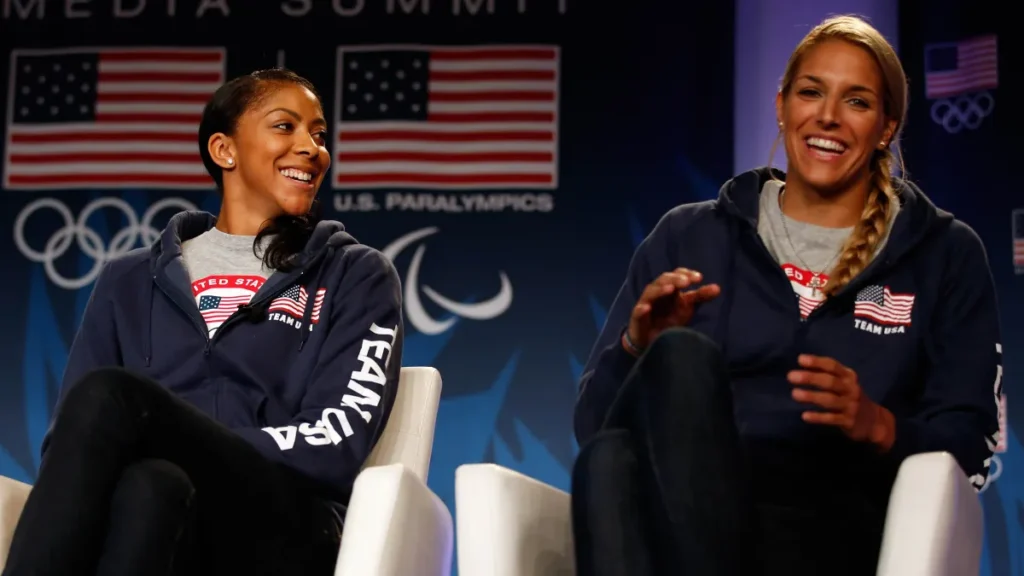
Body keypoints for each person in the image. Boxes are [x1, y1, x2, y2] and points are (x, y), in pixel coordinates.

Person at [570, 15, 1001, 576]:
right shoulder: (689, 235)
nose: (827, 116)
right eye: (811, 92)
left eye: (858, 101)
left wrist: (878, 425)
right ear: (781, 105)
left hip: (834, 527)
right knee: (640, 411)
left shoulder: (944, 253)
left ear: (887, 127)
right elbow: (591, 425)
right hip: (686, 514)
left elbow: (970, 445)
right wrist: (635, 346)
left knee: (610, 465)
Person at [1, 69, 404, 576]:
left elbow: (338, 438)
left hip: (290, 526)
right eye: (286, 127)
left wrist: (192, 436)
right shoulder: (127, 280)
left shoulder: (355, 273)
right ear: (224, 150)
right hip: (168, 508)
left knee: (112, 398)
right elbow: (72, 440)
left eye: (320, 135)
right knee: (150, 488)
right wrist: (176, 447)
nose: (313, 149)